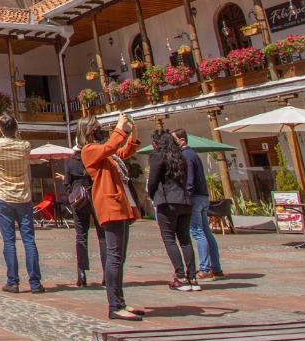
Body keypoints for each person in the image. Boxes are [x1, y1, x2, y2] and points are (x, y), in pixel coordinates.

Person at [80, 112, 143, 321]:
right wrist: (119, 127)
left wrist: (131, 133)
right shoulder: (89, 151)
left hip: (121, 204)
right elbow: (111, 146)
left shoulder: (105, 154)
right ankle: (114, 305)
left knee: (119, 256)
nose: (101, 129)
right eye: (98, 126)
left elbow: (122, 152)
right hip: (109, 205)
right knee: (114, 256)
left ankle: (121, 301)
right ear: (90, 131)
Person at [0, 114, 44, 293]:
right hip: (23, 196)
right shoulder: (25, 145)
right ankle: (35, 283)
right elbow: (22, 142)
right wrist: (16, 132)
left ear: (1, 129)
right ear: (16, 129)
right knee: (29, 240)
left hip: (3, 196)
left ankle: (13, 281)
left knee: (9, 241)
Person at [147, 129, 199, 292]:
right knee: (185, 240)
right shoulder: (181, 156)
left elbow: (154, 180)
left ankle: (181, 277)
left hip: (167, 201)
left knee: (169, 239)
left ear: (157, 143)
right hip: (184, 201)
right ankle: (192, 278)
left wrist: (151, 194)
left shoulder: (158, 156)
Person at [174, 128, 224, 279]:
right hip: (202, 196)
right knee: (206, 232)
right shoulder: (193, 154)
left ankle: (205, 268)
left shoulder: (186, 155)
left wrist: (186, 197)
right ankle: (216, 268)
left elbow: (189, 179)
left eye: (174, 140)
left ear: (182, 140)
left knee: (197, 232)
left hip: (194, 197)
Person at [58, 136, 95, 288]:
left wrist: (69, 184)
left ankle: (82, 273)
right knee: (103, 236)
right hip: (95, 196)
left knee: (81, 236)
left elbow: (67, 182)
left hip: (79, 199)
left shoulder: (72, 162)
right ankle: (108, 273)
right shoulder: (94, 160)